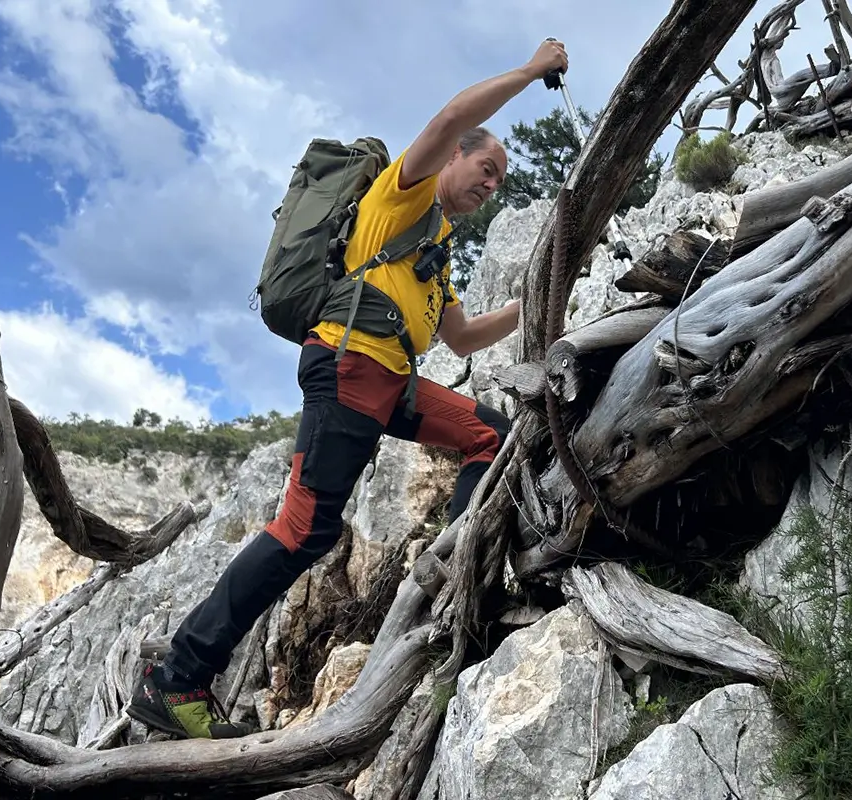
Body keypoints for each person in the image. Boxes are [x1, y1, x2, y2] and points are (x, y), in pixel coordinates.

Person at [127, 38, 570, 740]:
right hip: (348, 367)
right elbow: (452, 114)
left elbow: (460, 339)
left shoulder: (438, 250)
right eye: (485, 169)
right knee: (302, 532)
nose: (491, 186)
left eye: (498, 183)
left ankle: (457, 565)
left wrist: (541, 295)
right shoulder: (403, 196)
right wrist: (530, 71)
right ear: (455, 156)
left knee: (489, 432)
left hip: (390, 383)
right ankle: (178, 677)